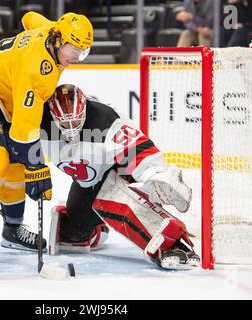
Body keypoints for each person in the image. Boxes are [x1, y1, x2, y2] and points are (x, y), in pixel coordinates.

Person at [0, 11, 93, 261]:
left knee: (17, 165)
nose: (77, 57)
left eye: (83, 51)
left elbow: (29, 17)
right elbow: (23, 132)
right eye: (74, 49)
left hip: (4, 96)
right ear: (59, 40)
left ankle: (13, 229)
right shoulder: (37, 71)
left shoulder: (51, 28)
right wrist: (37, 166)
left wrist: (29, 165)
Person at [42, 84, 200, 270]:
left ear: (84, 111)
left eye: (75, 122)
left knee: (111, 196)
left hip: (118, 170)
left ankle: (174, 244)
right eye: (64, 124)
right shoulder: (40, 121)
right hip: (90, 180)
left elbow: (136, 149)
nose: (70, 129)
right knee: (72, 234)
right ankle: (98, 227)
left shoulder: (104, 120)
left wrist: (154, 173)